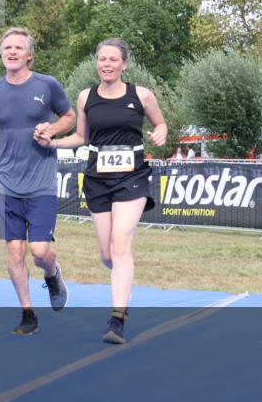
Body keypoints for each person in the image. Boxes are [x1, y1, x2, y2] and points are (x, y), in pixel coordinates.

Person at [38, 37, 167, 344]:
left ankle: (117, 319)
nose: (107, 64)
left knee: (121, 244)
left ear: (124, 64)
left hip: (132, 176)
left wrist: (161, 133)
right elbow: (81, 136)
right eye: (102, 59)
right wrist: (53, 142)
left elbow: (161, 124)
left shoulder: (142, 95)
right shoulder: (86, 97)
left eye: (113, 59)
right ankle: (124, 273)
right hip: (97, 177)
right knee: (108, 254)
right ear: (96, 63)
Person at [0, 27, 75, 336]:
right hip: (6, 181)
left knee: (40, 251)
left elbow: (69, 117)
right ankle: (28, 313)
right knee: (15, 252)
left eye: (18, 47)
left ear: (29, 54)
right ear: (1, 54)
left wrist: (53, 130)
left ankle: (53, 275)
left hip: (40, 180)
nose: (12, 51)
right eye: (7, 47)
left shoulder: (47, 85)